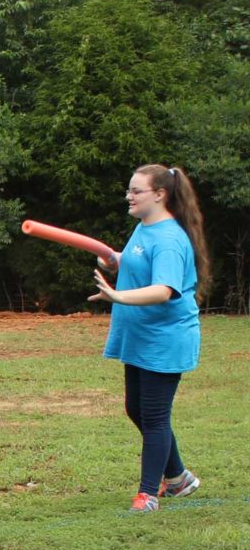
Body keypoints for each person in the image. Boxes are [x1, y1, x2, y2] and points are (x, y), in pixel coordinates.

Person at [90, 164, 209, 512]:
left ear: (160, 194)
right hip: (141, 335)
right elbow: (141, 263)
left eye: (136, 191)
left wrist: (118, 296)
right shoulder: (144, 228)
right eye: (129, 190)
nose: (129, 196)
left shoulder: (170, 238)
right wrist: (117, 262)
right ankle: (178, 477)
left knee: (155, 416)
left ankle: (148, 495)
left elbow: (163, 289)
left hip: (165, 338)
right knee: (136, 408)